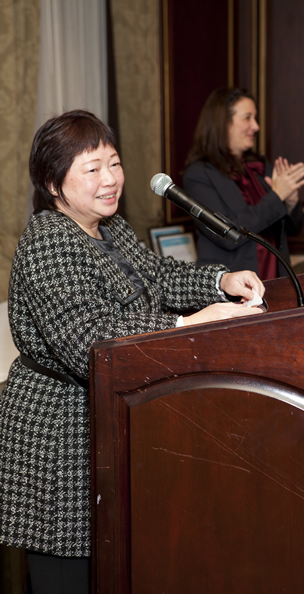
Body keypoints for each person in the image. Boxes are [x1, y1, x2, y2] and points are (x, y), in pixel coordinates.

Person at [0, 110, 265, 594]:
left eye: (115, 163)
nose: (110, 180)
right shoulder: (46, 241)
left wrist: (220, 281)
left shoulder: (110, 228)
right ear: (52, 183)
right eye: (92, 168)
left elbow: (159, 277)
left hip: (108, 414)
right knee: (69, 574)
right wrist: (184, 324)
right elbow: (87, 340)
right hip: (60, 431)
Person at [183, 87, 304, 279]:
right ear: (223, 122)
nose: (256, 126)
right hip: (232, 291)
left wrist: (290, 201)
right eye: (247, 118)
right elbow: (226, 235)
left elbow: (292, 230)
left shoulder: (259, 167)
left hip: (277, 281)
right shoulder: (198, 175)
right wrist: (277, 197)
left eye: (255, 118)